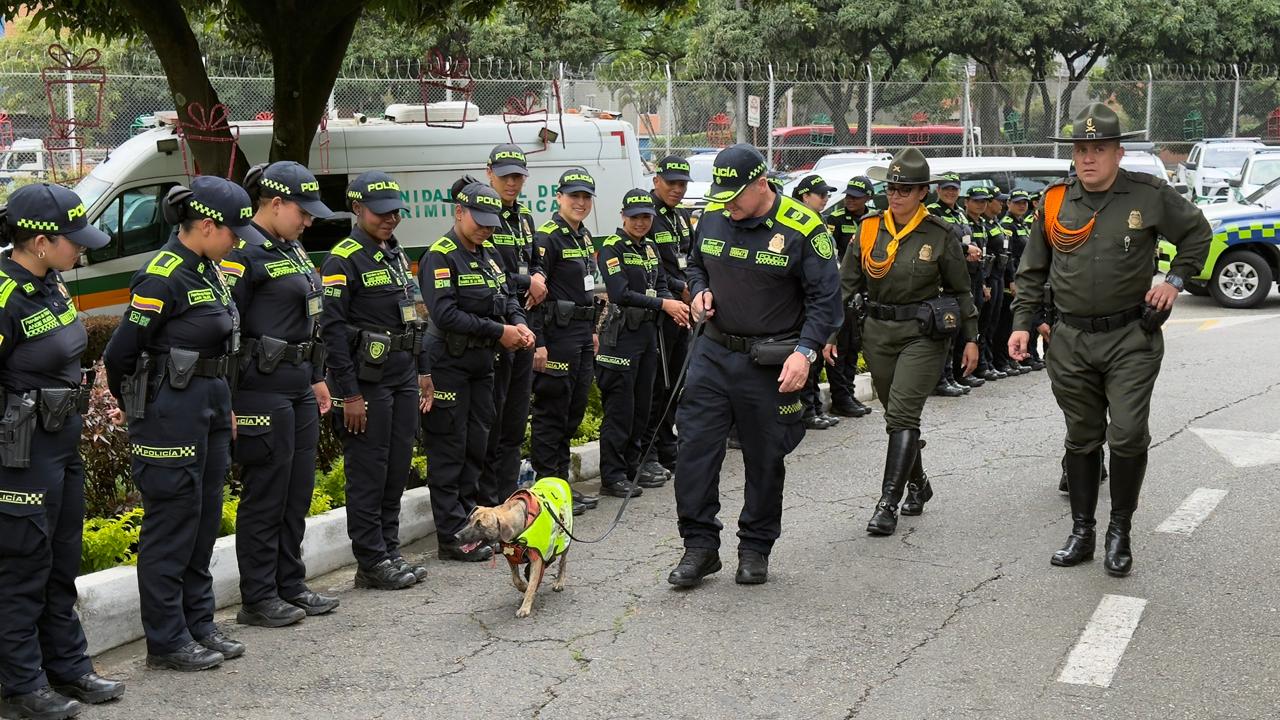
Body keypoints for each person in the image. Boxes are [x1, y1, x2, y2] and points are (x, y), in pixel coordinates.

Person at [1010, 103, 1211, 576]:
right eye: (1081, 150)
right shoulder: (1056, 202)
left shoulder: (1148, 195)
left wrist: (1174, 280)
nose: (1088, 158)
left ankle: (1119, 529)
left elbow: (1197, 233)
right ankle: (1082, 531)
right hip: (1071, 338)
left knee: (1125, 434)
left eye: (1099, 149)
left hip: (1130, 338)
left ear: (1118, 153)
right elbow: (1032, 270)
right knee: (1081, 438)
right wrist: (1021, 323)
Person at [667, 144, 841, 588]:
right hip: (713, 351)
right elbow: (694, 265)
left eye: (736, 197)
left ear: (761, 184)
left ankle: (755, 547)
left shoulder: (804, 228)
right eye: (722, 197)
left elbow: (826, 301)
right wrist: (699, 289)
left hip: (771, 360)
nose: (729, 206)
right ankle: (700, 547)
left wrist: (806, 352)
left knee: (765, 458)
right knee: (694, 451)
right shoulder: (712, 214)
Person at [103, 176, 258, 671]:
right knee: (171, 525)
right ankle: (167, 639)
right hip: (172, 413)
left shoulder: (208, 268)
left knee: (203, 520)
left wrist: (223, 402)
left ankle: (198, 622)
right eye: (233, 229)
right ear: (207, 225)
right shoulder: (163, 274)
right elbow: (119, 354)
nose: (239, 239)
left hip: (209, 404)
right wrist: (143, 407)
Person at [0, 185, 125, 718]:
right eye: (73, 241)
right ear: (40, 240)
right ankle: (23, 685)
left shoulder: (51, 285)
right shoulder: (4, 295)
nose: (83, 250)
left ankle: (69, 667)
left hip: (62, 443)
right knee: (22, 568)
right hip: (20, 454)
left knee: (59, 564)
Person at [828, 148, 979, 536]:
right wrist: (827, 332)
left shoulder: (940, 234)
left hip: (922, 335)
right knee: (896, 419)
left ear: (922, 193)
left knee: (903, 416)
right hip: (877, 332)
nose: (896, 196)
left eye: (905, 189)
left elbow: (962, 292)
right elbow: (845, 286)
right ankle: (919, 483)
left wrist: (972, 339)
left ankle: (886, 504)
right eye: (892, 188)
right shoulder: (868, 229)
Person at [224, 162, 339, 629]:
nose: (309, 221)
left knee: (296, 492)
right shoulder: (242, 252)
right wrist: (227, 399)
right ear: (274, 204)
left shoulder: (291, 248)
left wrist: (316, 374)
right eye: (302, 212)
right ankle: (259, 595)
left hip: (297, 386)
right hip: (260, 389)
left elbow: (309, 320)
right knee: (267, 494)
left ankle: (289, 582)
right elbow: (228, 330)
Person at [318, 171, 427, 588]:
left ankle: (389, 550)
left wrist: (423, 372)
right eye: (381, 213)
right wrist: (350, 394)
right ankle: (371, 560)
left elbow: (413, 316)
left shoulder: (394, 253)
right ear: (357, 208)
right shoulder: (343, 258)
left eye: (396, 212)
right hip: (367, 383)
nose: (390, 220)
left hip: (401, 377)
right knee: (369, 472)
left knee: (397, 467)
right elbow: (332, 331)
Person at [420, 181, 533, 559]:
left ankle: (474, 528)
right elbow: (445, 314)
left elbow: (509, 298)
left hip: (484, 365)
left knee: (477, 446)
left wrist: (519, 324)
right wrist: (500, 331)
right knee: (450, 448)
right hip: (450, 363)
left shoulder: (490, 255)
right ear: (459, 212)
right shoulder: (441, 255)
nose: (485, 229)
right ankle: (451, 537)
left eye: (491, 223)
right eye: (479, 221)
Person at [596, 189, 690, 497]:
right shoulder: (612, 248)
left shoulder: (650, 247)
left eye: (646, 217)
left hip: (650, 336)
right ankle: (612, 474)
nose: (640, 223)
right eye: (635, 217)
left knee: (643, 406)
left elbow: (661, 284)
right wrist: (664, 304)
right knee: (620, 409)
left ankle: (633, 466)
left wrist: (675, 307)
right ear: (623, 216)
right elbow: (620, 293)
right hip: (621, 338)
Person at [528, 169, 601, 514]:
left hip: (581, 334)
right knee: (552, 411)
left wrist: (593, 331)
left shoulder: (582, 236)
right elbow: (534, 296)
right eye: (574, 196)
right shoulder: (548, 237)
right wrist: (539, 342)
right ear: (558, 197)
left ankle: (561, 486)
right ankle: (547, 488)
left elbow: (586, 289)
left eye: (586, 197)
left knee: (572, 410)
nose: (581, 202)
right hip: (556, 335)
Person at [481, 145, 541, 507]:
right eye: (505, 176)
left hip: (525, 324)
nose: (512, 183)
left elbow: (534, 262)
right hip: (496, 329)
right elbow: (491, 273)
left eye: (518, 176)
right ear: (490, 173)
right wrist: (527, 283)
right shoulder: (483, 217)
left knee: (516, 421)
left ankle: (507, 499)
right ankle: (489, 500)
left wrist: (538, 277)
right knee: (494, 420)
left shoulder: (525, 218)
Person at [639, 156, 695, 486]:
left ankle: (667, 446)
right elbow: (653, 269)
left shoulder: (680, 217)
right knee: (657, 386)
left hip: (683, 309)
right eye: (671, 182)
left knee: (675, 383)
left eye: (682, 183)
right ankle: (649, 454)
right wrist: (679, 289)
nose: (677, 189)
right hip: (661, 310)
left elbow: (688, 259)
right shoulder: (646, 215)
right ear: (657, 179)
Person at [791, 174, 841, 430]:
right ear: (805, 196)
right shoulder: (796, 223)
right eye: (821, 195)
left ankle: (815, 408)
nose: (826, 199)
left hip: (819, 298)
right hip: (802, 302)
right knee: (806, 356)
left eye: (827, 195)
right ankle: (807, 410)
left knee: (816, 358)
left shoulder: (818, 220)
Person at [822, 176, 874, 417]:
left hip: (864, 292)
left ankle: (848, 392)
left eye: (856, 196)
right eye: (848, 195)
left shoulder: (873, 220)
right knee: (839, 347)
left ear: (868, 198)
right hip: (842, 291)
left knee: (854, 345)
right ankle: (840, 397)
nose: (850, 199)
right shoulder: (834, 220)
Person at [927, 173, 974, 397]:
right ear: (938, 190)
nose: (950, 192)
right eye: (946, 188)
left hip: (959, 276)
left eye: (954, 189)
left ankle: (951, 375)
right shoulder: (933, 213)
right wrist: (966, 250)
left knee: (955, 330)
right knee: (944, 328)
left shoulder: (961, 214)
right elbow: (942, 242)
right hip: (941, 280)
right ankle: (939, 379)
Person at [980, 187, 1022, 377]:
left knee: (995, 323)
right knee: (986, 324)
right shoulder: (987, 225)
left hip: (999, 276)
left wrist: (1010, 279)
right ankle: (986, 363)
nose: (1002, 204)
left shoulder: (994, 223)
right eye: (999, 200)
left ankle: (994, 361)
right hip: (988, 278)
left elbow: (1008, 254)